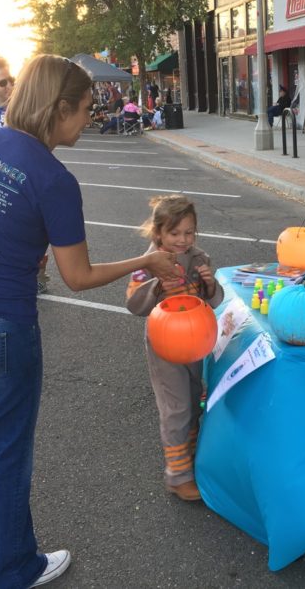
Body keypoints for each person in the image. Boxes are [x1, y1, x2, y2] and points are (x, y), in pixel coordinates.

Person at [0, 54, 180, 588]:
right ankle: (15, 569)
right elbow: (79, 275)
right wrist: (145, 259)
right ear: (60, 108)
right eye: (85, 110)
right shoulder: (54, 178)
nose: (89, 119)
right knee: (7, 450)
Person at [126, 195, 224, 501]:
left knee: (195, 397)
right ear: (158, 234)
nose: (183, 240)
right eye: (174, 233)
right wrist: (156, 287)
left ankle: (190, 457)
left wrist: (209, 284)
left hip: (195, 342)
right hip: (164, 345)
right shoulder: (149, 265)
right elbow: (133, 303)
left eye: (189, 232)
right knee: (176, 406)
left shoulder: (199, 258)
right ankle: (177, 475)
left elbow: (213, 301)